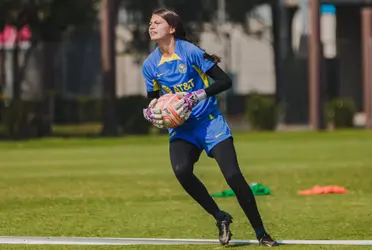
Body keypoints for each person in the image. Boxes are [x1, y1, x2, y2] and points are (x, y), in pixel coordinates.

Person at [142, 8, 278, 247]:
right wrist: (152, 111)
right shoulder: (150, 65)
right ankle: (220, 217)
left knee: (234, 176)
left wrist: (197, 96)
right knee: (182, 171)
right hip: (183, 129)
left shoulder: (190, 52)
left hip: (209, 122)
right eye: (150, 23)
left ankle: (261, 233)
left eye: (157, 23)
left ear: (171, 28)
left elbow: (225, 81)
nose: (151, 26)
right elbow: (153, 97)